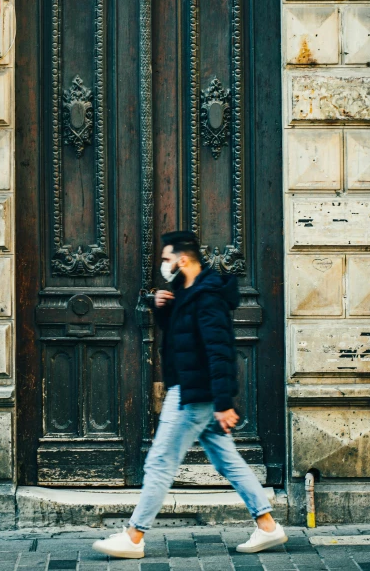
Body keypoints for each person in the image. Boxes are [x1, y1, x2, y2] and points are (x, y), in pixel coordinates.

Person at [93, 231, 287, 559]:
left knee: (159, 463)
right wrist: (163, 309)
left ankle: (134, 535)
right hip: (196, 391)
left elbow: (219, 350)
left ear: (183, 259)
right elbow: (185, 337)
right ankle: (268, 526)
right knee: (228, 460)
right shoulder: (189, 291)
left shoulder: (206, 296)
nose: (163, 265)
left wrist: (224, 403)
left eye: (167, 259)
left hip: (193, 395)